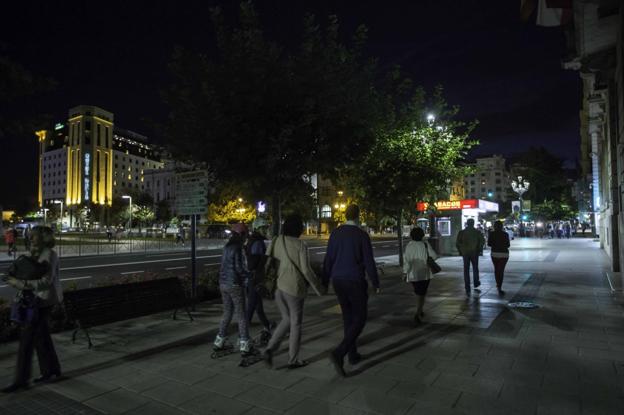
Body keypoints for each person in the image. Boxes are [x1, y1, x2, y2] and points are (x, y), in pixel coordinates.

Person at [2, 226, 63, 393]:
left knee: (27, 340)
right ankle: (52, 369)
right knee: (41, 336)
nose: (30, 237)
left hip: (42, 301)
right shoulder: (35, 252)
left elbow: (46, 281)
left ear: (45, 238)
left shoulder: (49, 255)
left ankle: (21, 380)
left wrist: (19, 284)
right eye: (30, 235)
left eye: (34, 235)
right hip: (36, 299)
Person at [323, 204, 380, 377]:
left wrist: (324, 281)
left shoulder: (336, 233)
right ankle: (340, 352)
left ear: (345, 215)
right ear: (358, 216)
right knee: (360, 317)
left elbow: (329, 258)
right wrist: (375, 282)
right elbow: (369, 262)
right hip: (355, 279)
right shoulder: (362, 235)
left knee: (348, 317)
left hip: (338, 280)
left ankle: (352, 354)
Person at [262, 214, 322, 369]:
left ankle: (270, 349)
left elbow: (268, 262)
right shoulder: (300, 245)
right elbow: (306, 271)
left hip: (278, 287)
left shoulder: (276, 240)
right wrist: (318, 288)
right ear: (299, 229)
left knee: (286, 319)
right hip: (294, 288)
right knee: (295, 323)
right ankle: (293, 360)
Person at [213, 223, 253, 356]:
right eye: (245, 235)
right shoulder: (238, 248)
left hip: (223, 284)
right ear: (242, 235)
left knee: (227, 313)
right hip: (235, 284)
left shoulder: (227, 247)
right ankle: (245, 344)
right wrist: (249, 274)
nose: (246, 237)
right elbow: (239, 268)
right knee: (241, 314)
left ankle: (219, 341)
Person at [245, 217, 274, 340]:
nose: (265, 230)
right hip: (255, 277)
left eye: (266, 228)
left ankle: (267, 326)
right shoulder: (257, 242)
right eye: (263, 228)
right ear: (257, 228)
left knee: (257, 305)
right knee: (252, 305)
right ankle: (243, 335)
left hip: (253, 277)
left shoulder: (253, 240)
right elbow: (254, 262)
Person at [403, 227, 438, 325]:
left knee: (418, 293)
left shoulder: (409, 246)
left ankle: (420, 310)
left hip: (413, 274)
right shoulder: (425, 244)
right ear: (422, 235)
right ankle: (418, 313)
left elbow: (407, 261)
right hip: (424, 273)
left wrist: (405, 272)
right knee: (422, 293)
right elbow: (434, 256)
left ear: (411, 235)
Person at [456, 218, 485, 296]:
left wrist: (460, 251)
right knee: (475, 268)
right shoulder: (477, 232)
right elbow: (482, 241)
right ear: (473, 223)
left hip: (465, 253)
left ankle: (467, 286)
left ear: (467, 223)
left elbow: (457, 243)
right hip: (474, 253)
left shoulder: (462, 232)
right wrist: (480, 249)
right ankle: (476, 282)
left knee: (466, 269)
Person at [487, 221, 510, 296]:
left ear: (494, 226)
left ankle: (498, 284)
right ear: (502, 226)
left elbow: (489, 244)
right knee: (501, 270)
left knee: (496, 269)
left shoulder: (492, 234)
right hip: (504, 254)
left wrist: (495, 244)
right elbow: (508, 245)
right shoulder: (505, 234)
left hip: (495, 253)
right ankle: (500, 286)